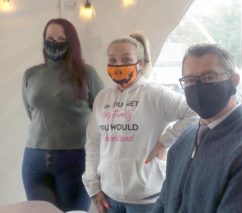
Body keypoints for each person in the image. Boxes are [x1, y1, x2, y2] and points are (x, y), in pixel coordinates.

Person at [152, 44, 242, 213]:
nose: (197, 87)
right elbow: (164, 202)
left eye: (209, 78)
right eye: (189, 81)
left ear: (234, 81)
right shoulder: (185, 139)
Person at [82, 32, 198, 213]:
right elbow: (93, 143)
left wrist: (164, 141)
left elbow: (194, 112)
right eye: (112, 60)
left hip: (146, 199)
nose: (118, 65)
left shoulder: (154, 94)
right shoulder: (102, 98)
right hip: (108, 196)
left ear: (140, 64)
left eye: (126, 59)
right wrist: (93, 186)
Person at [21, 18, 104, 212]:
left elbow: (103, 116)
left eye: (61, 38)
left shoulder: (87, 74)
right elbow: (32, 112)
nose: (54, 42)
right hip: (34, 160)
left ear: (72, 42)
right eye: (49, 37)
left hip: (75, 160)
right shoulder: (30, 75)